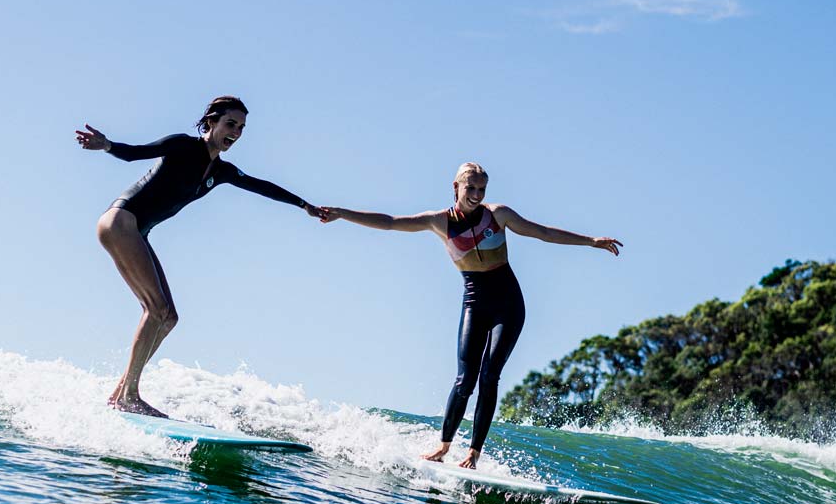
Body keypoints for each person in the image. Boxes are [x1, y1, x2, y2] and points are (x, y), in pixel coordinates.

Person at [321, 163, 620, 468]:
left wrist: (590, 241)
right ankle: (444, 446)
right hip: (474, 303)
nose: (476, 195)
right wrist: (342, 213)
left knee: (490, 376)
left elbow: (541, 232)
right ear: (456, 188)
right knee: (465, 379)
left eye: (481, 189)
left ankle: (474, 453)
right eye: (470, 188)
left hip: (508, 304)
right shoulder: (439, 222)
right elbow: (390, 221)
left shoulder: (498, 214)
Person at [77, 95, 326, 417]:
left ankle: (120, 393)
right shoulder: (182, 146)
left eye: (241, 128)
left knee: (168, 318)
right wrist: (107, 145)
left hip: (137, 232)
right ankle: (129, 395)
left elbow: (261, 186)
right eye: (230, 124)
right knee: (156, 310)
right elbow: (136, 153)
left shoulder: (221, 171)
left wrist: (304, 205)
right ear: (211, 122)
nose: (235, 132)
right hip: (121, 222)